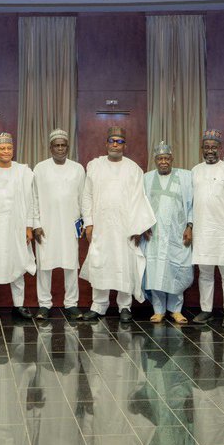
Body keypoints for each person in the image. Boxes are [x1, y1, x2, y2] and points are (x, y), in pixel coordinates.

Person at [78, 126, 156, 323]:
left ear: (125, 145)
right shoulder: (94, 166)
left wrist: (138, 227)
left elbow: (140, 199)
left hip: (125, 228)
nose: (115, 144)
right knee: (100, 263)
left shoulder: (134, 169)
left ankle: (124, 307)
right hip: (101, 227)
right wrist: (88, 223)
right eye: (112, 141)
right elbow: (87, 196)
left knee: (124, 264)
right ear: (106, 144)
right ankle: (98, 306)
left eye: (119, 141)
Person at [0, 133, 39, 320]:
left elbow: (31, 201)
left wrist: (29, 227)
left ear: (13, 150)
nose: (6, 151)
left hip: (15, 226)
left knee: (17, 263)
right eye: (2, 148)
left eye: (9, 148)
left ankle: (19, 306)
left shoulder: (24, 172)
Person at [188, 130, 224, 328]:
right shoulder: (195, 171)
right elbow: (190, 201)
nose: (210, 150)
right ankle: (206, 310)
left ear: (220, 149)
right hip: (203, 229)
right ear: (202, 149)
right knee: (205, 273)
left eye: (214, 147)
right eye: (206, 147)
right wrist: (190, 226)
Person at [31, 129, 86, 320]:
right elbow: (34, 198)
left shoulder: (78, 168)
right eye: (57, 145)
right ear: (50, 147)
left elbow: (83, 198)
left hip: (70, 224)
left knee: (71, 265)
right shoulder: (40, 168)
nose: (60, 148)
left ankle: (71, 304)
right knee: (44, 265)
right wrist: (36, 223)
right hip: (45, 225)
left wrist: (82, 225)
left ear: (68, 147)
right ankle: (44, 304)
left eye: (63, 145)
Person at [142, 141, 193, 325]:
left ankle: (176, 310)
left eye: (166, 158)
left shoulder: (185, 177)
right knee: (155, 272)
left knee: (176, 270)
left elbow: (192, 203)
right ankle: (158, 310)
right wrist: (143, 225)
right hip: (154, 235)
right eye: (159, 159)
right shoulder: (146, 178)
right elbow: (140, 205)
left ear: (172, 159)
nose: (163, 162)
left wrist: (190, 225)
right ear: (155, 161)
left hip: (177, 234)